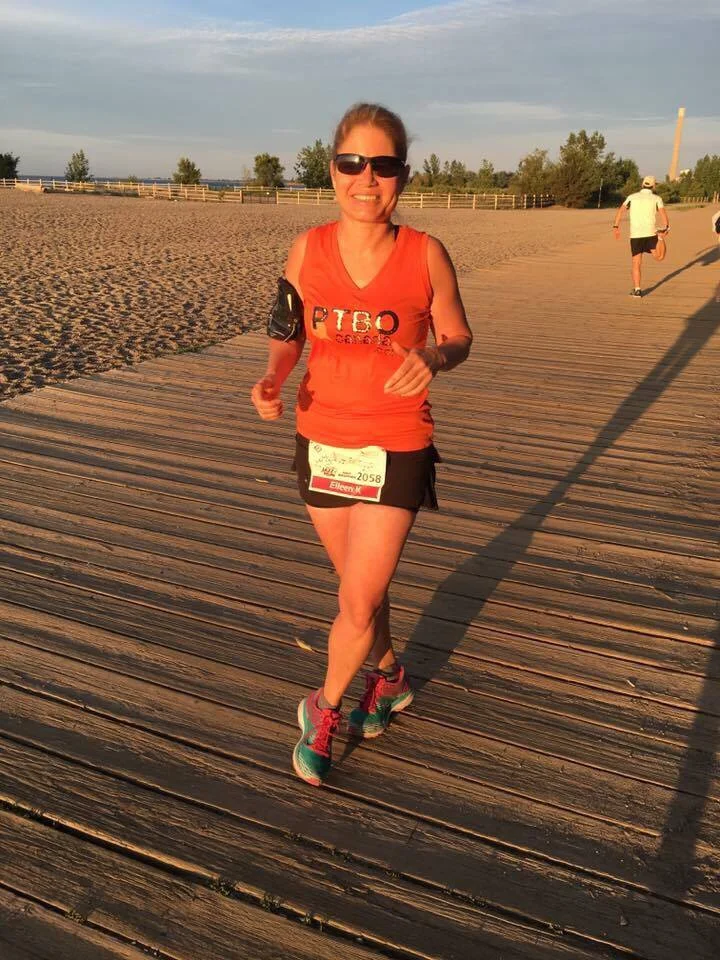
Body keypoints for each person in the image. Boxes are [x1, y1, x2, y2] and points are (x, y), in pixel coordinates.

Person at [250, 102, 473, 787]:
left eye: (382, 165)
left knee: (356, 599)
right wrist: (273, 377)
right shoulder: (306, 249)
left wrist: (433, 357)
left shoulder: (426, 254)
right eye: (352, 163)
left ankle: (322, 709)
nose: (366, 179)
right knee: (361, 590)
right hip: (322, 438)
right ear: (333, 171)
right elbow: (288, 334)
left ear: (402, 175)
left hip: (398, 442)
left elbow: (459, 336)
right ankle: (390, 676)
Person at [612, 175, 670, 297]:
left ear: (642, 184)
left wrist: (616, 227)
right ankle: (660, 238)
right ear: (654, 186)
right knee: (659, 257)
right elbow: (663, 214)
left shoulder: (632, 197)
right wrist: (666, 227)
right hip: (651, 233)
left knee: (636, 263)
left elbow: (621, 211)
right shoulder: (657, 198)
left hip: (636, 235)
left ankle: (637, 290)